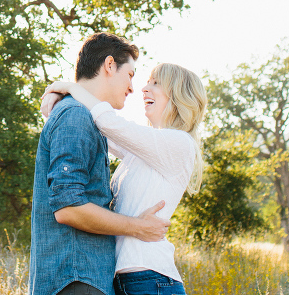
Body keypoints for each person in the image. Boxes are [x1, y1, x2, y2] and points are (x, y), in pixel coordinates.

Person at [41, 61, 207, 295]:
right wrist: (59, 101)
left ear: (179, 94)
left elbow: (109, 122)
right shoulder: (143, 151)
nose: (144, 88)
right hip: (128, 280)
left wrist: (69, 87)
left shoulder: (179, 144)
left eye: (156, 83)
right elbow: (94, 129)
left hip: (151, 279)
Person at [29, 33, 171, 295]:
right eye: (130, 75)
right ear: (109, 65)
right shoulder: (75, 115)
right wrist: (138, 226)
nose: (132, 87)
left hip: (82, 277)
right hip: (76, 278)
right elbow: (68, 208)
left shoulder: (84, 117)